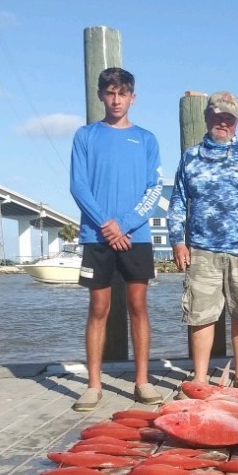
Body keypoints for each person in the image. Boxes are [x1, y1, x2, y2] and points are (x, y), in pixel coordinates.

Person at [69, 67, 164, 412]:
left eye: (122, 93)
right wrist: (106, 225)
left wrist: (124, 224)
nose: (116, 100)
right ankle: (93, 385)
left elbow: (154, 189)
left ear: (133, 97)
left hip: (135, 237)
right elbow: (78, 186)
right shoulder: (85, 136)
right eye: (110, 93)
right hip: (97, 236)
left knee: (138, 306)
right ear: (100, 96)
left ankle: (142, 381)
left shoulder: (147, 139)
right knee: (99, 308)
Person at [168, 91, 238, 393]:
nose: (222, 122)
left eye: (229, 118)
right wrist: (178, 241)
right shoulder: (190, 157)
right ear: (207, 117)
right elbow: (177, 201)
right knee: (201, 314)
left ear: (237, 123)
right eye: (217, 116)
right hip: (201, 250)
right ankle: (200, 376)